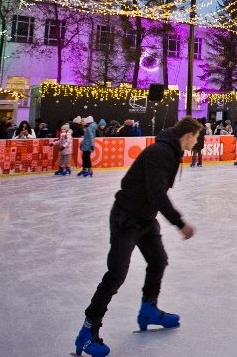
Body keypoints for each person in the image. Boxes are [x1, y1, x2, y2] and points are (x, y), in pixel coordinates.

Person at [74, 117, 201, 357]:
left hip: (145, 218)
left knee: (158, 260)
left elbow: (156, 194)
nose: (196, 142)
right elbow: (156, 194)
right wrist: (180, 223)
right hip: (126, 217)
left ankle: (148, 310)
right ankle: (87, 331)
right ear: (187, 135)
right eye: (196, 137)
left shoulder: (170, 152)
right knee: (116, 274)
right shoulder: (160, 153)